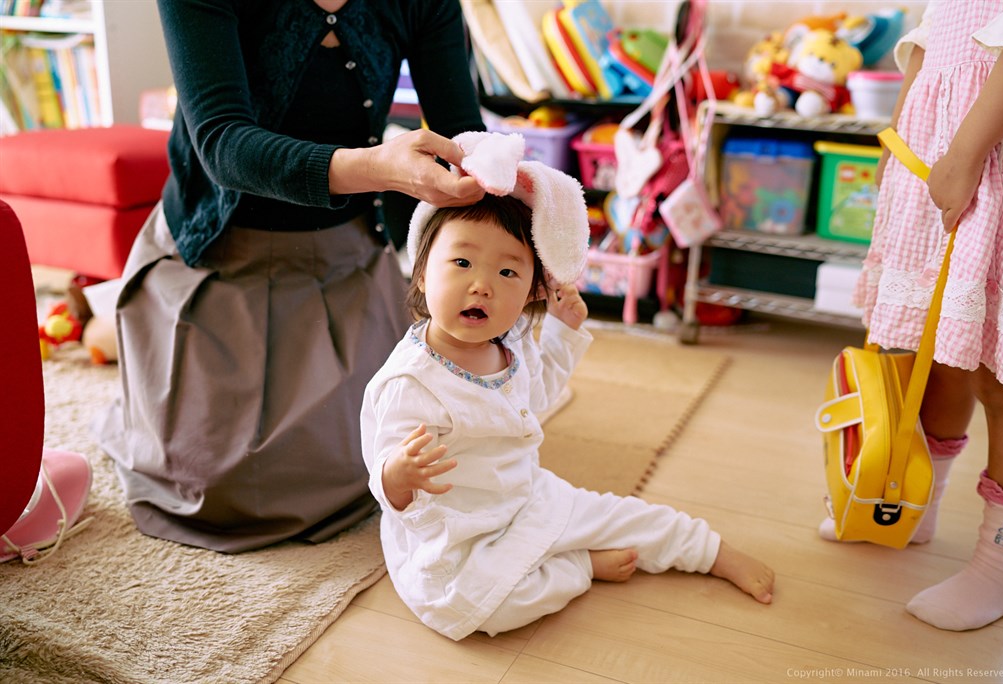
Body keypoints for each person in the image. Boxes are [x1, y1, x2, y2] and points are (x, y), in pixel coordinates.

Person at [93, 0, 487, 553]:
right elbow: (222, 143)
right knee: (216, 487)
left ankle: (115, 327)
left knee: (374, 456)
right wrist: (378, 167)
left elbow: (465, 135)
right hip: (222, 252)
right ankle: (124, 324)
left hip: (344, 252)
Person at [360, 134, 774, 640]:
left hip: (528, 497)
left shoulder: (507, 345)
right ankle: (579, 567)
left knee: (626, 514)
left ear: (533, 290)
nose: (481, 285)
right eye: (462, 263)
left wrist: (561, 328)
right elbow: (385, 480)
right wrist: (399, 475)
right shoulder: (410, 382)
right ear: (423, 273)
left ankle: (712, 552)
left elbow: (535, 400)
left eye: (507, 271)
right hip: (459, 536)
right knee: (465, 611)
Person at [823, 0, 1003, 631]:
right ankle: (912, 501)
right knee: (937, 346)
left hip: (999, 153)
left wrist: (965, 155)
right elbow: (934, 34)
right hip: (943, 148)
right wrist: (901, 130)